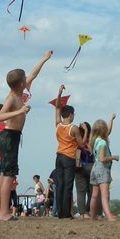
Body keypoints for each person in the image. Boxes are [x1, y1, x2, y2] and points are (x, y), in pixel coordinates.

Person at [0, 50, 53, 221]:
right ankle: (3, 212)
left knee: (5, 174)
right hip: (9, 136)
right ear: (21, 83)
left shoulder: (19, 92)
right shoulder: (12, 98)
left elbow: (33, 74)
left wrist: (44, 59)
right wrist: (20, 111)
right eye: (25, 79)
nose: (28, 79)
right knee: (8, 175)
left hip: (13, 136)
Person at [53, 84, 88, 219]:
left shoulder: (58, 124)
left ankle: (60, 213)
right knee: (68, 185)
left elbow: (57, 107)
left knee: (60, 184)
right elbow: (82, 144)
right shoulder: (73, 128)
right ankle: (66, 213)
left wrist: (59, 93)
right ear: (71, 115)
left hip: (59, 156)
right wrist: (85, 131)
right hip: (69, 157)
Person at [89, 118, 119, 221]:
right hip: (102, 168)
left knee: (94, 195)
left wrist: (111, 119)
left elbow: (108, 131)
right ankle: (109, 216)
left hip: (95, 168)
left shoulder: (94, 141)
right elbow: (102, 158)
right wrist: (114, 157)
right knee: (104, 195)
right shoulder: (103, 143)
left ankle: (92, 216)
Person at [74, 122, 93, 219]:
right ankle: (88, 211)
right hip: (90, 166)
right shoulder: (92, 139)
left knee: (81, 191)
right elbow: (90, 150)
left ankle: (82, 213)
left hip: (79, 166)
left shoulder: (75, 138)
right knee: (91, 191)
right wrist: (86, 131)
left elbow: (81, 145)